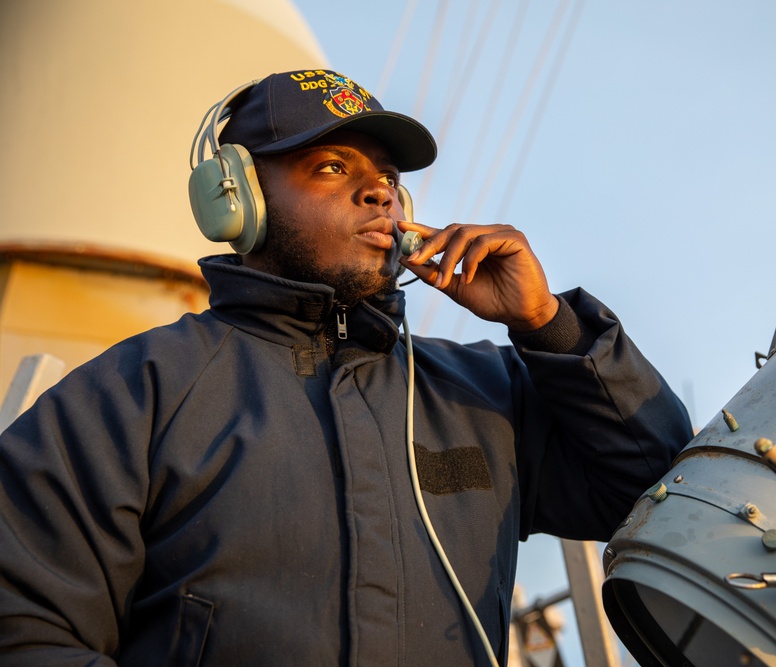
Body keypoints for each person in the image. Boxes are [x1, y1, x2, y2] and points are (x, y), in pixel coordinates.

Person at [0, 68, 693, 666]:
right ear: (235, 198)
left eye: (388, 180)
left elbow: (658, 491)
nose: (381, 194)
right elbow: (23, 620)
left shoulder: (484, 394)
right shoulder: (135, 393)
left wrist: (547, 324)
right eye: (333, 167)